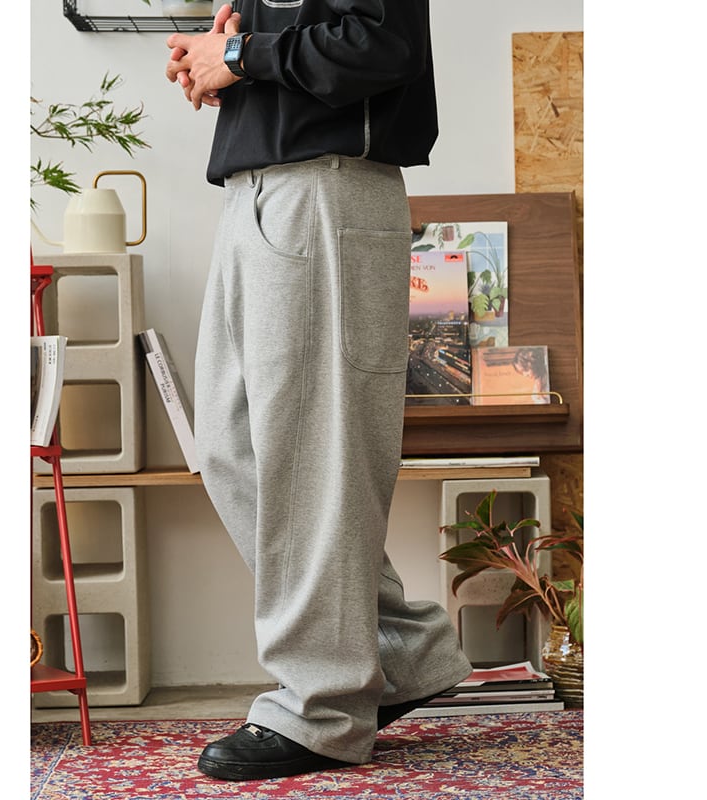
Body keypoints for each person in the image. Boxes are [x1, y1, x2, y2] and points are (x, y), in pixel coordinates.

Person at [165, 1, 472, 782]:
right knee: (233, 450)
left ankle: (322, 705)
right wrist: (221, 62)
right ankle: (402, 654)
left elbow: (382, 43)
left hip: (324, 192)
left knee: (309, 457)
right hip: (255, 193)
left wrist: (242, 58)